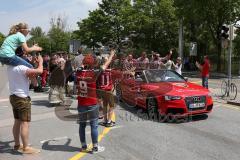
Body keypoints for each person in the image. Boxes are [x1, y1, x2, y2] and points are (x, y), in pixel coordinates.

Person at [76, 50, 115, 153]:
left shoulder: (78, 72)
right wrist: (111, 55)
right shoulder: (93, 73)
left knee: (82, 125)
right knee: (94, 126)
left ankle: (83, 146)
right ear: (92, 64)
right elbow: (105, 65)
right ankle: (95, 147)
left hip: (81, 103)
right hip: (92, 103)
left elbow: (78, 67)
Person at [8, 55, 43, 154]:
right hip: (22, 98)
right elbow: (36, 82)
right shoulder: (23, 68)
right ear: (22, 56)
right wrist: (40, 62)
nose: (28, 57)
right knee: (25, 123)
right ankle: (26, 147)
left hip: (13, 96)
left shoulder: (10, 66)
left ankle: (17, 144)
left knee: (17, 121)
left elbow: (32, 76)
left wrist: (32, 65)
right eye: (26, 55)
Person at [97, 57, 116, 127]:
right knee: (111, 106)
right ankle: (109, 121)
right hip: (108, 90)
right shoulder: (111, 70)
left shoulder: (99, 70)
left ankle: (105, 120)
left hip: (102, 89)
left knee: (105, 105)